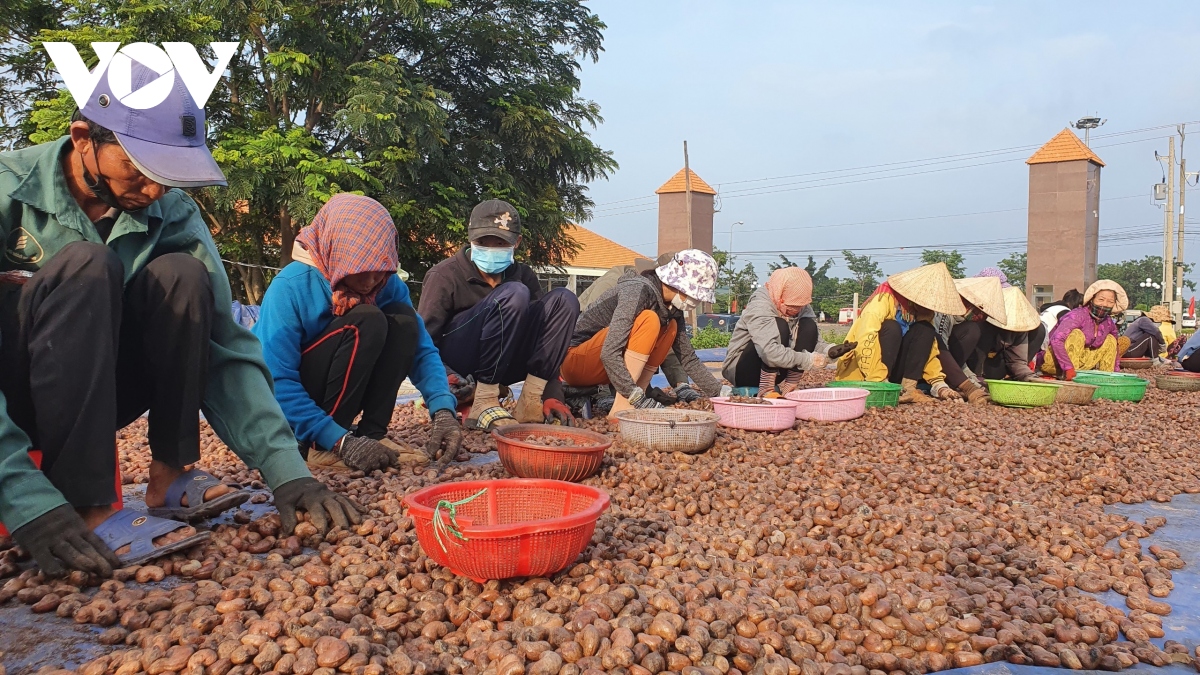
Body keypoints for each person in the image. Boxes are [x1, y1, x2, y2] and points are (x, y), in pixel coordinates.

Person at [0, 61, 358, 576]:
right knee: (87, 264)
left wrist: (288, 472)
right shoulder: (9, 188)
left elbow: (225, 346)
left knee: (183, 277)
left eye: (167, 177)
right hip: (16, 393)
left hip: (97, 395)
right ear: (83, 138)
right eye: (141, 170)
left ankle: (171, 475)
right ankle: (86, 505)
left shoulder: (172, 214)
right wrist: (26, 500)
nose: (154, 192)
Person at [253, 195, 462, 472]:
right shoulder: (291, 286)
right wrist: (338, 441)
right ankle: (321, 445)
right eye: (361, 271)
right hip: (286, 408)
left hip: (338, 389)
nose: (371, 281)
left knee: (404, 320)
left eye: (380, 271)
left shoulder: (386, 284)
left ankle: (371, 436)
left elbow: (422, 351)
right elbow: (275, 380)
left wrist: (443, 409)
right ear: (336, 256)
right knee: (367, 319)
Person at [418, 200, 578, 430]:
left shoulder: (522, 275)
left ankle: (530, 400)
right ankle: (484, 400)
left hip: (506, 364)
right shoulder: (444, 275)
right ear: (470, 239)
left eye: (501, 242)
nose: (491, 249)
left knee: (564, 300)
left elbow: (544, 339)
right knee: (514, 293)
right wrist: (446, 379)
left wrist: (553, 394)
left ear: (517, 243)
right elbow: (423, 341)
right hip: (461, 364)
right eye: (483, 242)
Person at [562, 250, 723, 416]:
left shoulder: (672, 308)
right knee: (650, 320)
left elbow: (688, 358)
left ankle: (637, 393)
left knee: (670, 327)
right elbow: (609, 353)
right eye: (696, 295)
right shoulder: (637, 290)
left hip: (606, 371)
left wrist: (721, 393)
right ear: (679, 284)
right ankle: (623, 407)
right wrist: (635, 398)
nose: (696, 302)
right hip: (575, 362)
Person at [833, 263, 967, 403]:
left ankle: (908, 389)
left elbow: (929, 349)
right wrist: (879, 380)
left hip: (896, 370)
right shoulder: (883, 299)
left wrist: (939, 384)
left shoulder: (922, 312)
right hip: (866, 372)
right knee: (892, 328)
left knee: (925, 330)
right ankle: (881, 384)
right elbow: (865, 339)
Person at [576, 251, 692, 406]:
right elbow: (604, 339)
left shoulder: (661, 297)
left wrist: (681, 384)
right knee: (642, 324)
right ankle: (602, 391)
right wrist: (608, 393)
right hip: (585, 351)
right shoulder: (615, 284)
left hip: (616, 357)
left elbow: (669, 343)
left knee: (663, 325)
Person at [722, 266, 828, 395]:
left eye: (800, 306)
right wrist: (807, 360)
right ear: (780, 296)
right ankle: (766, 389)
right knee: (780, 326)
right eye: (791, 307)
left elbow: (814, 340)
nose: (796, 311)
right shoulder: (760, 305)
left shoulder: (802, 305)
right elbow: (769, 352)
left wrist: (830, 351)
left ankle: (790, 385)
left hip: (779, 369)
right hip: (743, 369)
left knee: (808, 325)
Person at [932, 273, 1009, 405]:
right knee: (971, 330)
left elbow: (960, 358)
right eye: (980, 313)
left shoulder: (962, 321)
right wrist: (967, 386)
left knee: (972, 329)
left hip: (947, 361)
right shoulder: (944, 314)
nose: (981, 318)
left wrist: (975, 381)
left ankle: (958, 380)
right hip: (930, 362)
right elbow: (940, 350)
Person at [1037, 280, 1130, 379]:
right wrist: (1068, 367)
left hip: (1082, 364)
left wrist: (1116, 373)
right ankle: (1070, 378)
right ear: (1092, 299)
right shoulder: (1077, 315)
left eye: (1110, 302)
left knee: (1111, 340)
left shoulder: (1109, 323)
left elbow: (1115, 348)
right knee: (1076, 334)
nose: (1105, 304)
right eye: (1101, 299)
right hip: (1055, 362)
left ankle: (1107, 379)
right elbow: (1057, 340)